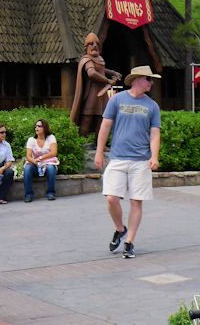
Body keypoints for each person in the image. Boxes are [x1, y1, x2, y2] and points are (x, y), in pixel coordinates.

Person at [94, 65, 162, 260]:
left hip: (140, 161)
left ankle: (129, 242)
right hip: (117, 158)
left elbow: (155, 133)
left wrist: (154, 156)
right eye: (149, 79)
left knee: (136, 202)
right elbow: (105, 126)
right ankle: (120, 228)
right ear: (137, 79)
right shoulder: (116, 100)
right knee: (111, 198)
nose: (151, 83)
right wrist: (99, 152)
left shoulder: (152, 106)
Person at [70, 33, 122, 137]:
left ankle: (100, 143)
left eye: (97, 44)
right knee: (87, 118)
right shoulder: (87, 59)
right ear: (86, 47)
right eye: (91, 44)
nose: (94, 46)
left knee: (101, 117)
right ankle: (81, 142)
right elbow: (92, 73)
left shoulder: (99, 59)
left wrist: (113, 73)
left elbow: (101, 70)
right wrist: (108, 81)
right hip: (91, 95)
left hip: (102, 95)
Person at [23, 118, 59, 202]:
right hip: (36, 165)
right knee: (27, 168)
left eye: (39, 126)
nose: (36, 128)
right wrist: (34, 161)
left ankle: (50, 193)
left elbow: (54, 153)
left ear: (45, 128)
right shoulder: (31, 140)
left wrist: (40, 158)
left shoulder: (51, 138)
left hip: (49, 163)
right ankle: (28, 195)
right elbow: (28, 156)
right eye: (35, 126)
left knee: (50, 168)